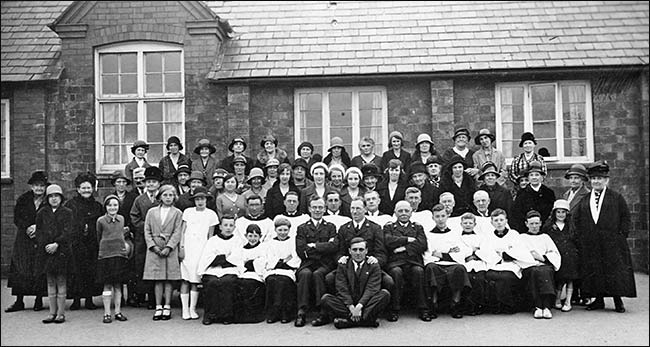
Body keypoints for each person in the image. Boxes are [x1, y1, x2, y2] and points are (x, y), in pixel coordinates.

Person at [573, 160, 636, 313]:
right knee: (595, 270)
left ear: (606, 180)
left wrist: (621, 236)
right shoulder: (585, 200)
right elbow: (578, 220)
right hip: (592, 243)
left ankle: (617, 300)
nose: (596, 181)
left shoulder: (616, 197)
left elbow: (625, 218)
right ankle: (598, 300)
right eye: (594, 179)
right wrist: (582, 239)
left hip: (612, 242)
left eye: (599, 178)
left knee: (613, 271)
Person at [325, 197, 392, 301]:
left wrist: (376, 260)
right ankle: (341, 307)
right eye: (352, 208)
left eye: (358, 208)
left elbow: (381, 253)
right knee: (329, 278)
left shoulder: (375, 228)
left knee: (388, 281)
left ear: (365, 209)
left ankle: (376, 309)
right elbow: (338, 251)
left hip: (369, 266)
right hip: (348, 267)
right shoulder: (344, 228)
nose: (354, 212)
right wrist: (340, 258)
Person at [317, 237, 391, 329]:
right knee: (326, 299)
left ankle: (349, 321)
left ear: (366, 251)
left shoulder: (373, 265)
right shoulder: (343, 264)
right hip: (349, 305)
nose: (358, 253)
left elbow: (372, 289)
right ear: (349, 251)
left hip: (366, 304)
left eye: (361, 249)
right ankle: (366, 321)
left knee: (384, 294)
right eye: (354, 250)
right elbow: (342, 288)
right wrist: (351, 307)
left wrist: (359, 306)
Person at [6, 171, 48, 313]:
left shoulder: (49, 201)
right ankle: (19, 301)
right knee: (21, 268)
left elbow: (51, 218)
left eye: (42, 186)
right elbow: (17, 217)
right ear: (31, 186)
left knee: (39, 268)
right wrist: (28, 227)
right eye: (36, 186)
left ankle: (38, 300)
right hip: (24, 239)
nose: (39, 189)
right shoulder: (23, 199)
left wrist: (38, 227)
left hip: (41, 238)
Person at [294, 196, 338, 327]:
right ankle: (301, 311)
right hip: (307, 263)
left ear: (325, 209)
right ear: (309, 209)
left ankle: (322, 311)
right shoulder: (302, 228)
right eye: (314, 207)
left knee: (319, 274)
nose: (317, 210)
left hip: (325, 264)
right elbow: (301, 250)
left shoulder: (330, 227)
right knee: (305, 274)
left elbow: (334, 247)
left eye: (320, 207)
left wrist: (314, 246)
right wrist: (323, 247)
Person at [423, 204, 472, 319]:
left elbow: (460, 252)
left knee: (460, 268)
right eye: (437, 216)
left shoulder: (455, 234)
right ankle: (433, 304)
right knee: (431, 268)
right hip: (436, 264)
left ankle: (455, 303)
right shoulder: (428, 235)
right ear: (433, 218)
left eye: (443, 216)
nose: (440, 219)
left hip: (453, 263)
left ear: (447, 216)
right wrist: (449, 251)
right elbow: (429, 253)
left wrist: (442, 254)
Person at [383, 201, 429, 322]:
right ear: (395, 213)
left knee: (418, 272)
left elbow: (422, 244)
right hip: (395, 262)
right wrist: (407, 239)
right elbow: (388, 241)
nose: (403, 213)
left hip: (413, 261)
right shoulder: (389, 227)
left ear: (411, 212)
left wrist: (404, 248)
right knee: (396, 273)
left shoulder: (417, 227)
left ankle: (423, 308)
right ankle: (395, 309)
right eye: (400, 211)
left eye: (406, 211)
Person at [35, 184, 75, 324]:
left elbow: (68, 232)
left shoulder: (67, 212)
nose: (54, 199)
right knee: (50, 282)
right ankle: (52, 313)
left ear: (61, 197)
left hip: (62, 251)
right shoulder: (42, 213)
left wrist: (57, 244)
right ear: (47, 198)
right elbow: (38, 231)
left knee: (61, 281)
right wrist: (46, 244)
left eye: (56, 196)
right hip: (46, 252)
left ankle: (61, 313)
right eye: (51, 196)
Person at [482, 209, 534, 314]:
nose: (499, 223)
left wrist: (504, 254)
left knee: (506, 277)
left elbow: (519, 250)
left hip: (511, 264)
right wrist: (497, 256)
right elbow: (485, 251)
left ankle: (508, 306)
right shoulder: (488, 236)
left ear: (506, 221)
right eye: (496, 220)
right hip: (495, 264)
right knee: (491, 275)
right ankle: (495, 306)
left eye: (501, 220)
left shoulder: (514, 234)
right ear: (492, 223)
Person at [143, 184, 183, 321]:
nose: (168, 198)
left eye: (171, 195)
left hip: (169, 249)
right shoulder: (152, 212)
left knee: (168, 279)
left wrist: (169, 247)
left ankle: (167, 306)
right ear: (160, 196)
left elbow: (178, 232)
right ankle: (158, 306)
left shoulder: (177, 213)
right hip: (155, 249)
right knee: (158, 279)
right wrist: (153, 246)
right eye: (165, 195)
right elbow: (147, 230)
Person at [179, 186, 218, 320]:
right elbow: (183, 231)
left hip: (202, 249)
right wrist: (182, 247)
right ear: (194, 200)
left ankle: (192, 309)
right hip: (189, 248)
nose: (200, 201)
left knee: (195, 280)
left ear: (206, 199)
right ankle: (185, 310)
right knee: (185, 279)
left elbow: (210, 236)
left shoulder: (211, 214)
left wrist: (207, 253)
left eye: (202, 199)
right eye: (197, 199)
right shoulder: (188, 212)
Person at [66, 172, 103, 311]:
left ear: (92, 189)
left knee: (90, 271)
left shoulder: (97, 206)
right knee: (76, 271)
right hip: (76, 243)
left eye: (89, 188)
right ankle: (76, 300)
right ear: (78, 189)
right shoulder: (71, 204)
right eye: (83, 188)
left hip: (92, 243)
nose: (86, 190)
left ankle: (89, 299)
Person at [197, 215, 243, 325]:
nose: (228, 228)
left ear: (234, 227)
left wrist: (221, 258)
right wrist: (222, 258)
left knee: (227, 282)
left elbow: (237, 257)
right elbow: (208, 257)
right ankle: (210, 315)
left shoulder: (237, 240)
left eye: (231, 225)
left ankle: (226, 315)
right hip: (213, 269)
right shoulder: (212, 240)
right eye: (225, 225)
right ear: (220, 226)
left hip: (230, 269)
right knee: (212, 282)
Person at [129, 166, 163, 309]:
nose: (150, 185)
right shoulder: (139, 200)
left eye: (154, 182)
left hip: (160, 237)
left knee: (157, 266)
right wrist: (147, 228)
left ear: (159, 184)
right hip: (142, 238)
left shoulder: (163, 198)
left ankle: (155, 299)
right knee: (142, 266)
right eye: (148, 182)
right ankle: (143, 295)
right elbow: (134, 217)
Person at [519, 210, 561, 319]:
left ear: (540, 223)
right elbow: (519, 253)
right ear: (526, 224)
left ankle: (546, 307)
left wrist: (542, 258)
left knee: (545, 271)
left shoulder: (545, 237)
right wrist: (532, 260)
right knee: (535, 271)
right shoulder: (522, 237)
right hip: (529, 266)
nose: (534, 226)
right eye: (531, 223)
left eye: (536, 223)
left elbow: (554, 253)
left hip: (545, 264)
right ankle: (538, 306)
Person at [96, 195, 131, 323]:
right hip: (106, 255)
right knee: (107, 285)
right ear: (105, 207)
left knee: (118, 285)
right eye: (110, 205)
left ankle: (117, 311)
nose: (112, 208)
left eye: (115, 205)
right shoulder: (101, 221)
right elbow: (99, 236)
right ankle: (106, 313)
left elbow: (121, 234)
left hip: (119, 254)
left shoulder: (121, 219)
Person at [542, 199, 579, 312]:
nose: (561, 215)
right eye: (558, 212)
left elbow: (576, 240)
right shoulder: (549, 226)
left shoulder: (571, 226)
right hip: (557, 256)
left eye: (563, 212)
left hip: (570, 256)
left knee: (570, 279)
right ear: (554, 213)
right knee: (560, 279)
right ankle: (557, 299)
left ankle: (568, 301)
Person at [263, 217, 301, 324]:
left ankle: (286, 313)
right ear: (275, 230)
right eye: (280, 230)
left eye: (285, 230)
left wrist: (285, 263)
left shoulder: (292, 241)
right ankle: (273, 313)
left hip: (287, 270)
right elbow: (269, 257)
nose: (283, 233)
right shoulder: (270, 243)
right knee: (272, 280)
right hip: (273, 269)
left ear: (289, 230)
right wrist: (280, 261)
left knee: (284, 281)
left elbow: (295, 256)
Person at [233, 224, 267, 323]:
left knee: (250, 284)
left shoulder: (263, 247)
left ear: (260, 236)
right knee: (239, 283)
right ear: (246, 236)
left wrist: (252, 263)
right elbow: (238, 261)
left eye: (255, 236)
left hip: (257, 274)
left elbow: (263, 260)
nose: (253, 239)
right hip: (244, 273)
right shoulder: (242, 249)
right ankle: (241, 315)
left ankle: (253, 315)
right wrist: (246, 264)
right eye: (250, 236)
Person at [458, 213, 490, 316]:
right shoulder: (457, 237)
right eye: (465, 223)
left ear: (475, 224)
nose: (468, 225)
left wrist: (476, 254)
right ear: (461, 224)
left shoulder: (481, 237)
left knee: (479, 279)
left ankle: (478, 306)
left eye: (470, 223)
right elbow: (459, 250)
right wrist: (471, 250)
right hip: (465, 263)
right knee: (467, 279)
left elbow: (484, 249)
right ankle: (466, 306)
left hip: (478, 262)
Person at [511, 161, 556, 234]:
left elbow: (551, 213)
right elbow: (517, 214)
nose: (534, 177)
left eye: (537, 175)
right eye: (531, 175)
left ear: (542, 177)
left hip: (545, 230)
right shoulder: (522, 193)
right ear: (528, 177)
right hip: (526, 231)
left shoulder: (548, 193)